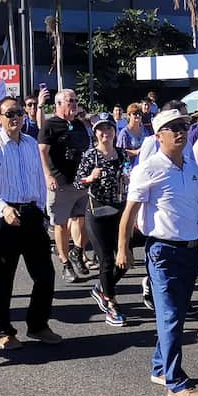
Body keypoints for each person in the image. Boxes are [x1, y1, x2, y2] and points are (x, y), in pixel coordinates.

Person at [119, 110, 198, 396]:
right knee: (170, 316)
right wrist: (123, 249)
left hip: (189, 249)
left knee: (179, 313)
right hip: (162, 251)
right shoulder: (149, 168)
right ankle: (175, 382)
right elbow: (129, 213)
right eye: (172, 128)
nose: (180, 131)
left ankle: (160, 366)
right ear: (159, 136)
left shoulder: (191, 166)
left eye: (183, 126)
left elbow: (196, 201)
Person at [0, 95, 61, 350]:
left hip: (31, 215)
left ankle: (37, 325)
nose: (15, 117)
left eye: (19, 112)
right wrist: (4, 209)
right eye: (9, 113)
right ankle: (5, 330)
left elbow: (38, 178)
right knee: (2, 279)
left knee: (45, 275)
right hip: (3, 218)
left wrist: (42, 210)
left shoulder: (30, 144)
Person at [75, 115, 130, 327]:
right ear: (95, 133)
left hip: (119, 210)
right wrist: (90, 178)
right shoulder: (91, 156)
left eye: (109, 129)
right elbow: (78, 183)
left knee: (124, 261)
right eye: (101, 129)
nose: (105, 133)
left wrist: (128, 178)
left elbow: (127, 173)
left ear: (115, 132)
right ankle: (111, 303)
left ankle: (101, 288)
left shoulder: (121, 154)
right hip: (97, 211)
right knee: (106, 260)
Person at [39, 88, 93, 282]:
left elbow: (87, 149)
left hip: (80, 181)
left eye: (75, 100)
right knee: (60, 224)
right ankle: (65, 263)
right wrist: (48, 176)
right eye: (69, 101)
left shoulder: (79, 124)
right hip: (60, 181)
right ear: (59, 104)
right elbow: (43, 151)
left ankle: (77, 251)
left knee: (82, 219)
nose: (74, 104)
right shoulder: (50, 125)